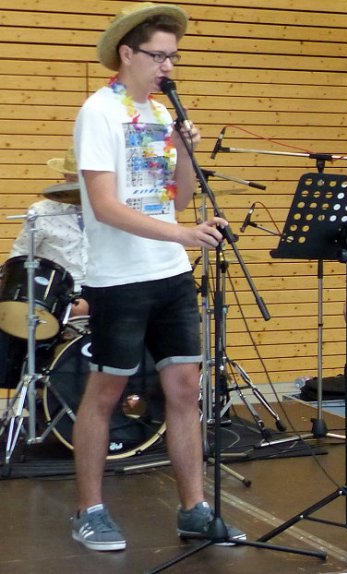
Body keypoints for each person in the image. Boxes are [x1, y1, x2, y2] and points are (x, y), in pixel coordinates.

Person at [69, 2, 238, 552]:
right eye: (159, 55)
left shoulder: (161, 115)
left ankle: (194, 509)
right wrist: (183, 235)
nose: (168, 66)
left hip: (169, 273)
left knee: (185, 388)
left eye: (173, 57)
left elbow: (178, 199)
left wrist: (185, 151)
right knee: (107, 391)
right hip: (119, 278)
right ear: (127, 53)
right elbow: (105, 206)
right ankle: (89, 510)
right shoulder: (99, 112)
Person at [9, 147, 90, 317]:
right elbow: (21, 253)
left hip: (100, 287)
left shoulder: (108, 210)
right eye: (73, 179)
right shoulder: (42, 211)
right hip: (55, 290)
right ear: (65, 177)